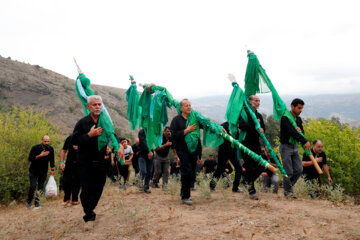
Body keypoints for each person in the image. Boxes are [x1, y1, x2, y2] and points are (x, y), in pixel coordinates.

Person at [72, 95, 124, 224]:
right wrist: (89, 135)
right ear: (88, 107)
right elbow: (74, 141)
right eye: (94, 105)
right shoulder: (83, 123)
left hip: (101, 161)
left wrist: (120, 145)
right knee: (86, 190)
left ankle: (90, 207)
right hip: (85, 163)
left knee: (99, 187)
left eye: (99, 104)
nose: (97, 107)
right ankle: (89, 215)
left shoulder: (105, 121)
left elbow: (113, 136)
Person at [280, 98, 311, 198]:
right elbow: (292, 132)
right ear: (292, 107)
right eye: (299, 108)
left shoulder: (298, 119)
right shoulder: (285, 118)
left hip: (295, 146)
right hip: (285, 147)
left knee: (299, 169)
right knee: (288, 171)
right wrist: (304, 140)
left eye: (302, 108)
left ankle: (288, 188)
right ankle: (287, 192)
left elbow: (301, 132)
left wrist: (304, 140)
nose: (300, 110)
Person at [170, 99, 199, 205]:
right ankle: (186, 197)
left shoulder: (193, 118)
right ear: (181, 108)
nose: (189, 107)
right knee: (186, 172)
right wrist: (187, 130)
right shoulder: (176, 120)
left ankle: (183, 192)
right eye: (186, 105)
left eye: (190, 105)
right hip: (182, 150)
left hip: (193, 150)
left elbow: (206, 125)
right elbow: (173, 135)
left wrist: (219, 129)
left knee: (191, 173)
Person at [238, 95, 265, 200]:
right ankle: (252, 191)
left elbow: (263, 129)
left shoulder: (259, 116)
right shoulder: (244, 113)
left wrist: (261, 130)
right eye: (256, 100)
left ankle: (246, 181)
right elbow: (242, 126)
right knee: (249, 167)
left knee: (261, 166)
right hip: (246, 143)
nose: (258, 102)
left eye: (259, 101)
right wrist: (254, 124)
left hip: (256, 144)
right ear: (250, 102)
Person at [210, 122, 243, 193]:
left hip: (233, 151)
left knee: (239, 168)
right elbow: (217, 136)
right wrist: (228, 134)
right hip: (223, 150)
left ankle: (235, 188)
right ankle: (212, 187)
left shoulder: (236, 126)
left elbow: (237, 139)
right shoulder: (223, 125)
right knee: (220, 169)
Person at [26, 135, 55, 209]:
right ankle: (29, 203)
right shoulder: (35, 148)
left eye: (48, 141)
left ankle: (37, 203)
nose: (46, 143)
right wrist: (40, 155)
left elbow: (52, 160)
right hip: (33, 171)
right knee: (32, 186)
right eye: (45, 141)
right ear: (42, 140)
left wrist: (52, 170)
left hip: (43, 171)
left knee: (40, 187)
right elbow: (30, 159)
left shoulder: (51, 149)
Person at [60, 135, 81, 206]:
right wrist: (62, 162)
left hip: (80, 163)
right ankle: (66, 199)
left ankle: (75, 199)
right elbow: (63, 151)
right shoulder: (69, 138)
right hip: (69, 163)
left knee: (77, 182)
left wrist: (80, 148)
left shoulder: (85, 138)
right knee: (66, 181)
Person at [138, 128, 154, 193]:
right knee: (143, 171)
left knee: (149, 172)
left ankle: (146, 187)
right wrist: (149, 151)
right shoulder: (141, 132)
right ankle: (139, 181)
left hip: (151, 155)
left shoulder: (153, 131)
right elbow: (143, 143)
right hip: (142, 155)